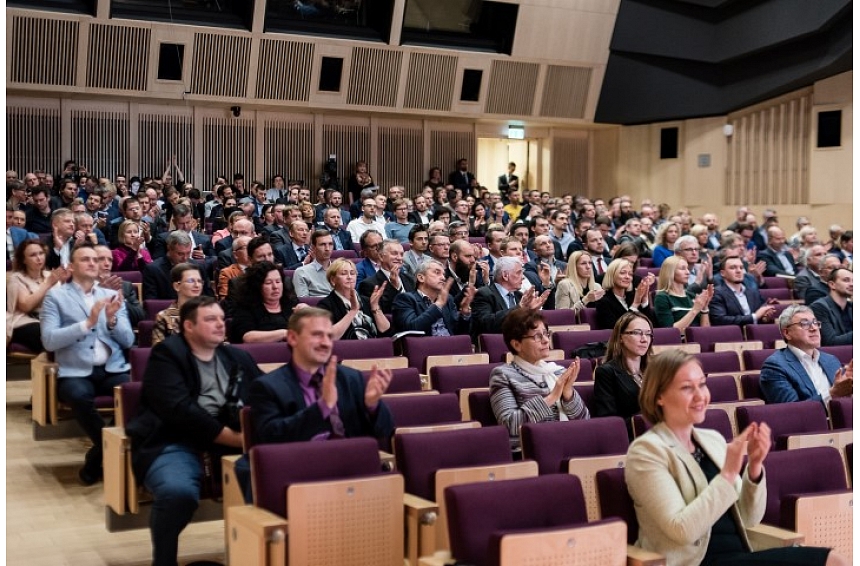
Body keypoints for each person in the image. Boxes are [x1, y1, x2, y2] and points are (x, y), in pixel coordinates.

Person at [626, 349, 846, 566]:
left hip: (739, 555)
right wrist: (729, 472)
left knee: (833, 560)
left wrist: (754, 468)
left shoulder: (711, 439)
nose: (700, 395)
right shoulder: (646, 451)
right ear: (659, 397)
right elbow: (682, 530)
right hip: (694, 562)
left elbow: (749, 518)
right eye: (686, 388)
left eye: (702, 384)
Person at [126, 296, 262, 566]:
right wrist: (235, 438)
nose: (220, 325)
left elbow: (267, 392)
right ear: (188, 326)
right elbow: (180, 411)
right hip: (173, 440)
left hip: (233, 441)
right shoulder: (167, 355)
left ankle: (252, 555)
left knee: (270, 477)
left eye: (222, 319)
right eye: (210, 319)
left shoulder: (236, 356)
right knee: (178, 493)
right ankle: (163, 561)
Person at [41, 244, 134, 485]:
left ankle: (96, 455)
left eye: (96, 259)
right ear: (71, 266)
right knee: (79, 397)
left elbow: (129, 340)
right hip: (75, 371)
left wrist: (112, 320)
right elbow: (49, 341)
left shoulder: (110, 295)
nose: (93, 263)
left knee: (136, 395)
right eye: (85, 259)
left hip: (113, 368)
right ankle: (108, 448)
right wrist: (88, 323)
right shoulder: (56, 296)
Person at [248, 308, 395, 446]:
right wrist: (322, 407)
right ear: (292, 338)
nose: (326, 343)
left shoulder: (351, 379)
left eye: (329, 336)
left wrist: (372, 406)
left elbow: (385, 433)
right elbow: (271, 439)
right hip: (301, 468)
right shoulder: (267, 387)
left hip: (350, 464)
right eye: (317, 335)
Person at [489, 309, 589, 452]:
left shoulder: (557, 371)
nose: (546, 340)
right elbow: (509, 426)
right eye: (537, 336)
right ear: (517, 344)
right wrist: (551, 397)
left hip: (569, 445)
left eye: (546, 334)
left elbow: (585, 421)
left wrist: (568, 394)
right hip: (531, 452)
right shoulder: (502, 375)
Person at [759, 305, 852, 404]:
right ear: (787, 333)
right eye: (805, 324)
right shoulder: (775, 366)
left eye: (815, 323)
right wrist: (833, 394)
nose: (814, 328)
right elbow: (792, 411)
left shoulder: (831, 360)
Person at [593, 312, 653, 439]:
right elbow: (609, 422)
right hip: (632, 440)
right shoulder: (606, 372)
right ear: (621, 337)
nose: (644, 339)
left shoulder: (656, 369)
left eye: (648, 334)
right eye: (637, 333)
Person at [7, 239, 68, 351]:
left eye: (41, 253)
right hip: (24, 321)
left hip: (50, 319)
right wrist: (48, 284)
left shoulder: (49, 275)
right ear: (24, 260)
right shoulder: (17, 279)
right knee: (46, 333)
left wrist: (64, 285)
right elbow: (26, 306)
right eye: (33, 255)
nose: (39, 258)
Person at [470, 256, 550, 341]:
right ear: (505, 275)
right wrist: (519, 308)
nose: (523, 277)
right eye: (519, 273)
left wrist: (531, 311)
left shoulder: (519, 296)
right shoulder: (484, 294)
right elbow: (486, 324)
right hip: (496, 345)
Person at [392, 259, 475, 336]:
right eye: (437, 272)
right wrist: (438, 305)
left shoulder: (448, 299)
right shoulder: (405, 299)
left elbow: (458, 333)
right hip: (425, 348)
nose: (443, 278)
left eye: (443, 274)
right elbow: (412, 329)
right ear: (421, 278)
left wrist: (464, 314)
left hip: (451, 346)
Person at [318, 258, 391, 340]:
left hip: (373, 347)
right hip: (349, 350)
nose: (349, 277)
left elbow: (385, 329)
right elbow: (329, 336)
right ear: (333, 280)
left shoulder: (367, 301)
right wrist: (353, 311)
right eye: (343, 274)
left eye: (352, 273)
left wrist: (375, 307)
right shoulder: (326, 305)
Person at [229, 261, 297, 344]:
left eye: (278, 282)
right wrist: (284, 333)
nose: (275, 287)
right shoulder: (246, 307)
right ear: (257, 286)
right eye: (268, 283)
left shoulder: (290, 303)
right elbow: (248, 337)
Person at [709, 257, 775, 327]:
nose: (739, 271)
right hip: (733, 336)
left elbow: (762, 311)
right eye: (733, 268)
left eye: (741, 267)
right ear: (723, 273)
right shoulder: (716, 293)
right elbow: (720, 320)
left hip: (757, 333)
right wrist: (754, 316)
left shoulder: (752, 291)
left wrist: (766, 316)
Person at [653, 256, 714, 331]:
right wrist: (695, 310)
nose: (688, 272)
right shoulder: (662, 297)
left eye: (687, 268)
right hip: (679, 341)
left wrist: (705, 307)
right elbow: (670, 332)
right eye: (682, 269)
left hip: (698, 341)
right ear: (670, 272)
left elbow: (706, 332)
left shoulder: (692, 295)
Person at [358, 239, 415, 314]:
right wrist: (394, 288)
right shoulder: (368, 284)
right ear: (381, 257)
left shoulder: (409, 279)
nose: (399, 258)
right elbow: (384, 312)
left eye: (401, 254)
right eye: (394, 254)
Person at [595, 258, 655, 330]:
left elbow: (650, 325)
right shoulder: (603, 301)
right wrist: (635, 304)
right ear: (612, 275)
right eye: (622, 273)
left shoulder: (632, 296)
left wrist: (644, 300)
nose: (627, 277)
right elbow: (616, 329)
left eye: (630, 274)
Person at [152, 263, 204, 346]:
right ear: (177, 286)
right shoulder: (164, 317)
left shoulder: (210, 314)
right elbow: (159, 351)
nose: (197, 285)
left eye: (199, 281)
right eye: (191, 281)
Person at [809, 268, 853, 346]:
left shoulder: (851, 306)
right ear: (832, 284)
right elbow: (830, 342)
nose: (852, 284)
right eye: (846, 280)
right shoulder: (818, 307)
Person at [293, 229, 335, 297]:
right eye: (322, 244)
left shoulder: (339, 270)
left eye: (330, 244)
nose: (327, 248)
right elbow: (303, 303)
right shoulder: (301, 272)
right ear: (313, 247)